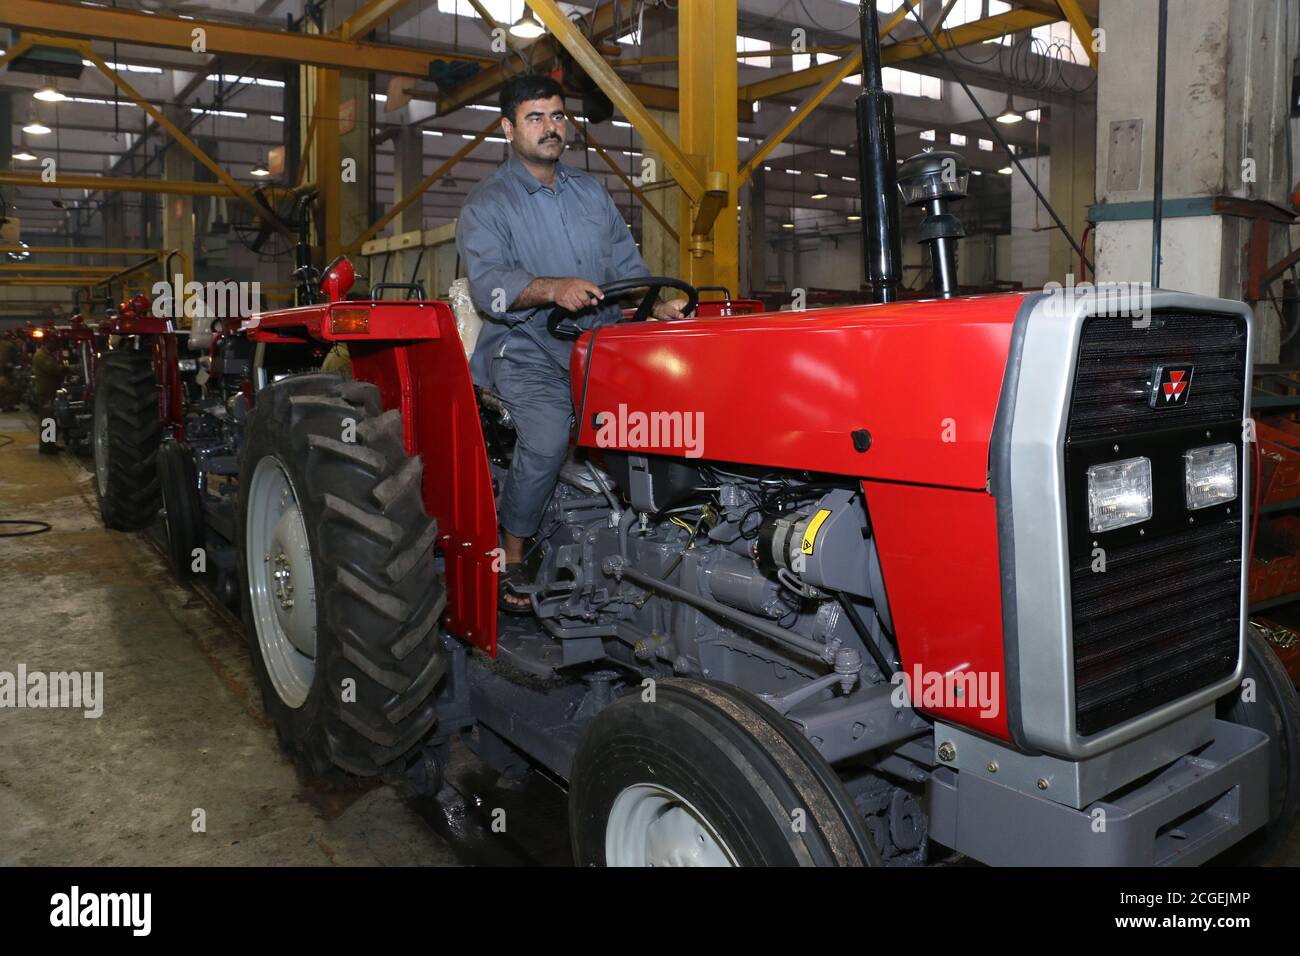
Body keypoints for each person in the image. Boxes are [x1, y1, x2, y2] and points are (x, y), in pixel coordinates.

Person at [457, 73, 686, 612]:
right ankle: (510, 555)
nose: (550, 127)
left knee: (665, 414)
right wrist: (551, 289)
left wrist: (657, 304)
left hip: (598, 342)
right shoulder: (488, 204)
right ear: (509, 127)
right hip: (525, 347)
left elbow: (628, 270)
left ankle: (654, 536)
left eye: (557, 116)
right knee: (548, 432)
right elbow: (491, 288)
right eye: (535, 117)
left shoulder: (591, 192)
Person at [31, 337, 68, 454]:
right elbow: (53, 369)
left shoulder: (47, 354)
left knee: (51, 419)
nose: (56, 346)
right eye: (54, 343)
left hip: (49, 391)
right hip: (46, 392)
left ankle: (50, 444)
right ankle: (46, 447)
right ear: (47, 342)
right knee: (48, 419)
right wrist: (67, 368)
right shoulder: (41, 355)